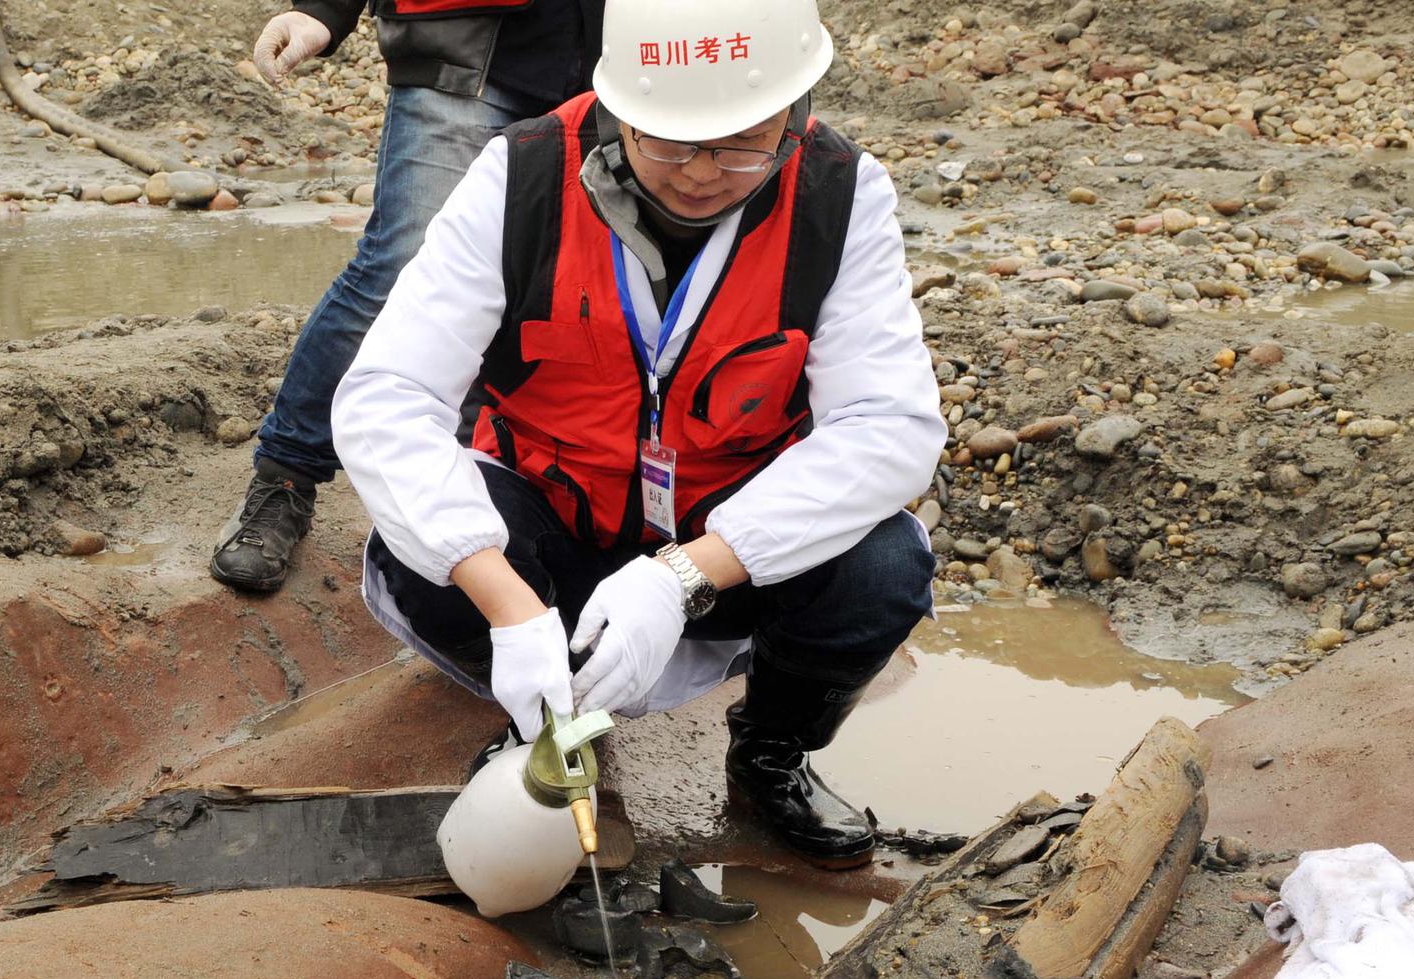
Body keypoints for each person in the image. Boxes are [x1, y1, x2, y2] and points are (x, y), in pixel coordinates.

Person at [331, 0, 945, 866]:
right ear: (617, 107)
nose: (701, 175)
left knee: (882, 568)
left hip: (723, 539)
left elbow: (889, 425)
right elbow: (388, 394)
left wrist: (682, 577)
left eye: (743, 144)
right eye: (669, 143)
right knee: (423, 559)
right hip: (557, 522)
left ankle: (770, 748)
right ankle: (545, 722)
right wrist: (507, 605)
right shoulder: (523, 176)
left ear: (795, 112)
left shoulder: (839, 194)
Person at [211, 0, 606, 594]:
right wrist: (323, 10)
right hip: (463, 54)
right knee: (400, 268)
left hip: (624, 71)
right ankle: (286, 476)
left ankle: (486, 495)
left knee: (570, 287)